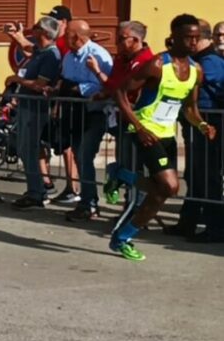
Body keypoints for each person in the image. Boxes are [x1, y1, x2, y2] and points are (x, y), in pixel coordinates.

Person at [111, 14, 217, 261]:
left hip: (167, 133)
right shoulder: (158, 64)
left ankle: (120, 176)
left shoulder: (196, 70)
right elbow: (120, 92)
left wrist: (202, 124)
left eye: (196, 38)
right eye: (187, 37)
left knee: (163, 191)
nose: (193, 42)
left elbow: (190, 109)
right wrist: (138, 127)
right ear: (174, 38)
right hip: (146, 130)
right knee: (170, 185)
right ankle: (122, 237)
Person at [168, 19, 224, 241]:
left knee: (208, 177)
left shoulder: (210, 62)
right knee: (195, 176)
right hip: (196, 125)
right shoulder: (198, 60)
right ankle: (187, 223)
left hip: (210, 125)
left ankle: (215, 228)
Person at [58, 20, 114, 221]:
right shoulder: (68, 56)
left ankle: (90, 203)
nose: (64, 39)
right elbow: (64, 79)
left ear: (78, 37)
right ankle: (86, 200)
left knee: (84, 155)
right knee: (78, 155)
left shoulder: (99, 55)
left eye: (67, 35)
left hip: (95, 113)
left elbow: (106, 86)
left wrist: (78, 89)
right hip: (74, 111)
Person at [6, 16, 63, 209]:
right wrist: (16, 36)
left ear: (45, 33)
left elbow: (40, 85)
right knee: (24, 148)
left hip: (36, 108)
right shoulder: (42, 51)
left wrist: (17, 80)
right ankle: (36, 189)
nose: (33, 29)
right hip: (27, 106)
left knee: (28, 148)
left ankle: (36, 192)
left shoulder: (51, 55)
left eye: (37, 27)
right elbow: (29, 49)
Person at [100, 21, 155, 204]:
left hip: (139, 120)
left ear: (136, 40)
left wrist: (99, 75)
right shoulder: (121, 59)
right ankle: (129, 203)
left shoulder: (146, 61)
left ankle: (137, 207)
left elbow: (123, 88)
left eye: (122, 38)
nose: (118, 42)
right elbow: (114, 85)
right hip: (122, 118)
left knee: (135, 167)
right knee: (124, 163)